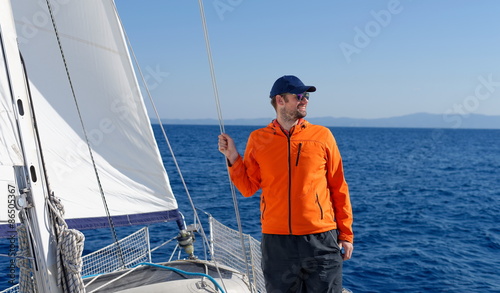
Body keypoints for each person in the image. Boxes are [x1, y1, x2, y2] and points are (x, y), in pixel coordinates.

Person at [218, 75, 353, 293]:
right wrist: (233, 157)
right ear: (280, 100)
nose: (305, 100)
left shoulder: (323, 136)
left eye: (307, 96)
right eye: (299, 96)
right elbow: (248, 187)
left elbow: (338, 187)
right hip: (277, 241)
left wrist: (346, 235)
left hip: (320, 239)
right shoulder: (258, 139)